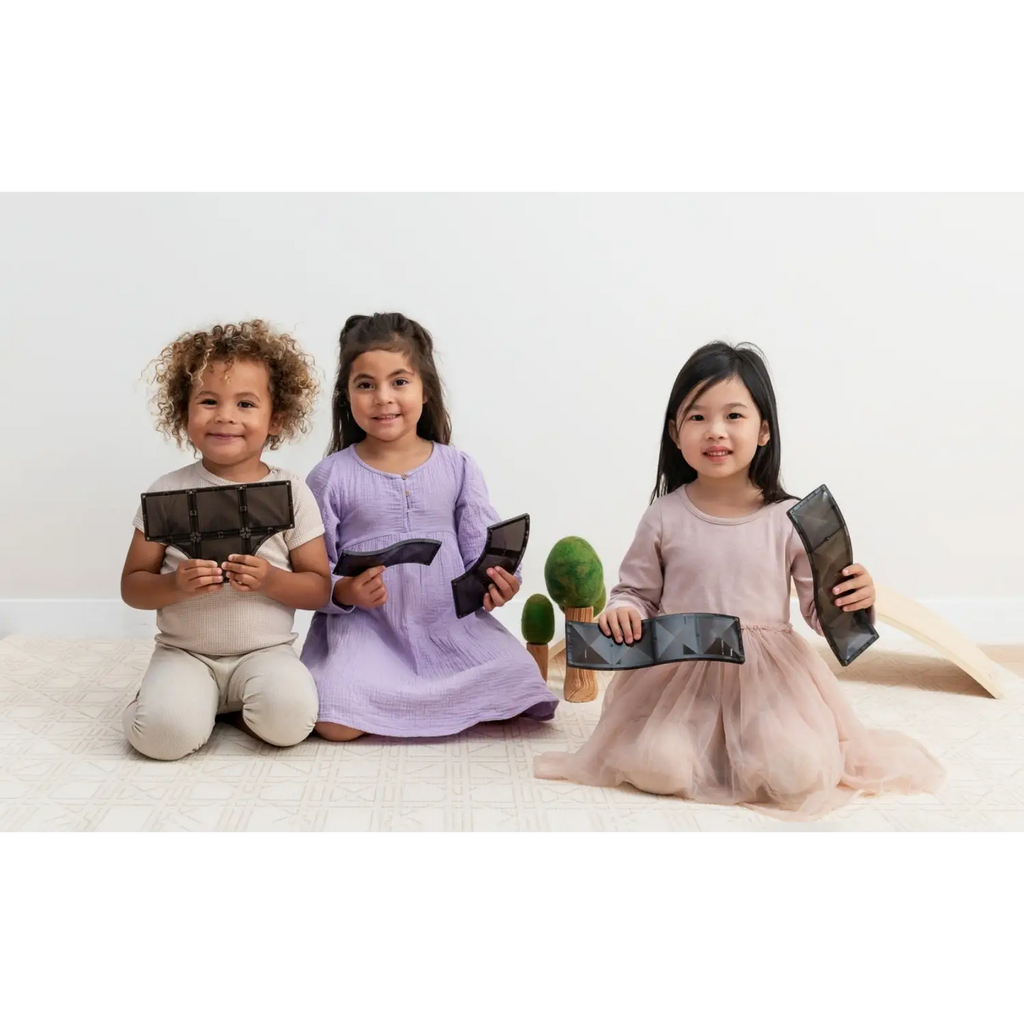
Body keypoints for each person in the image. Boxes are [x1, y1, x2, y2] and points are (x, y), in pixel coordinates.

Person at [535, 341, 944, 819]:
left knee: (800, 772)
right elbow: (636, 593)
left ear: (764, 430)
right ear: (675, 431)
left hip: (768, 682)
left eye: (734, 416)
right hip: (680, 678)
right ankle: (694, 746)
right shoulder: (664, 517)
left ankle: (745, 745)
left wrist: (856, 597)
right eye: (697, 417)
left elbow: (818, 613)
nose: (716, 432)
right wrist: (625, 610)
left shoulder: (788, 518)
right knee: (659, 766)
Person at [301, 312, 558, 740]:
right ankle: (400, 699)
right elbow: (310, 569)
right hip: (368, 631)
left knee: (520, 681)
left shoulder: (457, 466)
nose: (383, 397)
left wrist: (501, 581)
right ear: (346, 394)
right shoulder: (330, 476)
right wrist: (343, 591)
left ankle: (438, 696)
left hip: (450, 628)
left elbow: (483, 545)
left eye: (399, 382)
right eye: (365, 384)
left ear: (425, 390)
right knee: (333, 720)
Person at [120, 319, 331, 760]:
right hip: (185, 653)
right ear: (185, 413)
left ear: (278, 418)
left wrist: (271, 579)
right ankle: (163, 701)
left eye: (247, 403)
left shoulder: (292, 491)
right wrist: (175, 585)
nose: (226, 416)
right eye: (209, 400)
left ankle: (230, 705)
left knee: (291, 722)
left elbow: (318, 587)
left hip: (265, 652)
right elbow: (133, 586)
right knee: (162, 739)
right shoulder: (166, 492)